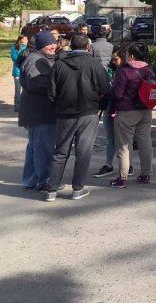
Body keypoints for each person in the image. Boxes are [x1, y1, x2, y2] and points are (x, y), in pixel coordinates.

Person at [43, 34, 110, 201]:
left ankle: (51, 190)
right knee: (83, 152)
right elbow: (106, 89)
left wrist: (57, 108)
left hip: (65, 114)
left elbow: (51, 93)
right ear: (88, 47)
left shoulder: (58, 65)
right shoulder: (94, 64)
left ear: (71, 46)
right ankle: (77, 189)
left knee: (60, 152)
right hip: (88, 113)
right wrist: (100, 106)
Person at [109, 42, 154, 189]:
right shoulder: (148, 69)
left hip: (126, 111)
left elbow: (117, 93)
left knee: (124, 146)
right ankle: (146, 174)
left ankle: (122, 178)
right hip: (145, 110)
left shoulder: (124, 71)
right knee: (145, 143)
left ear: (132, 56)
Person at [19, 32, 59, 190]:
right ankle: (44, 181)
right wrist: (58, 86)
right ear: (41, 46)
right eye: (49, 44)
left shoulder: (40, 58)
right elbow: (36, 84)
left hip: (38, 111)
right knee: (43, 148)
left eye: (54, 43)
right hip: (39, 112)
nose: (53, 46)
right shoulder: (34, 60)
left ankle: (30, 180)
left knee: (35, 147)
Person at [93, 47, 133, 179]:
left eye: (116, 59)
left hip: (122, 108)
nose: (114, 61)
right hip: (109, 107)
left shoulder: (128, 71)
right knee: (110, 138)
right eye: (113, 59)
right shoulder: (109, 70)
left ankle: (128, 165)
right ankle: (108, 165)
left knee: (124, 139)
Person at [10, 34, 28, 112]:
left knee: (26, 89)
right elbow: (14, 58)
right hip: (17, 71)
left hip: (25, 72)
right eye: (25, 39)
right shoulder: (14, 47)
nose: (27, 40)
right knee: (18, 90)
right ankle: (17, 106)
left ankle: (24, 105)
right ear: (20, 40)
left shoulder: (27, 47)